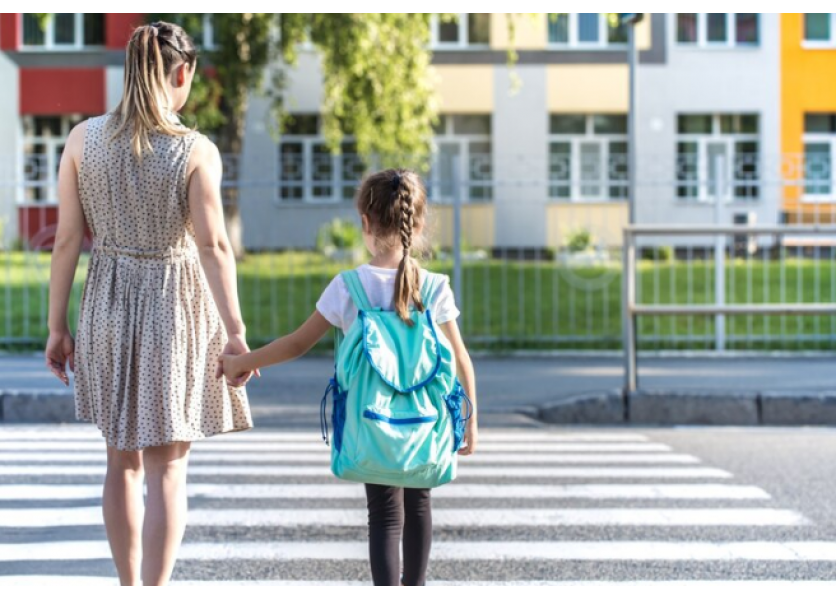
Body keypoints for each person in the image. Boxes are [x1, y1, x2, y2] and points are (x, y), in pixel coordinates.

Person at [45, 21, 254, 586]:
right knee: (168, 468)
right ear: (182, 72)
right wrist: (236, 331)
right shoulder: (194, 150)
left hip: (106, 303)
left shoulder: (82, 140)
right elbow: (213, 246)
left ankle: (128, 586)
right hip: (173, 308)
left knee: (121, 461)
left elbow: (66, 240)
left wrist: (57, 327)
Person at [218, 168, 478, 585]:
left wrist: (241, 362)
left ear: (365, 223)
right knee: (419, 505)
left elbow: (297, 343)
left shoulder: (349, 287)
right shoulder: (434, 287)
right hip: (426, 423)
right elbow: (462, 358)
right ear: (419, 224)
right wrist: (471, 422)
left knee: (384, 515)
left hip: (370, 423)